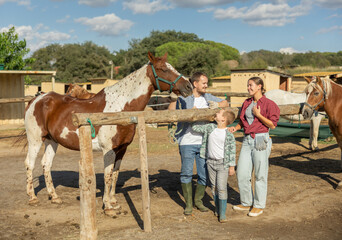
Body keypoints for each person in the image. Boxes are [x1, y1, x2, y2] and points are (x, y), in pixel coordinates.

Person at [168, 71, 229, 215]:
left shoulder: (208, 97)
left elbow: (225, 102)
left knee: (203, 174)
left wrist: (217, 104)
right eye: (204, 83)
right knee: (186, 173)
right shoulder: (185, 98)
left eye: (207, 83)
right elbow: (171, 111)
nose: (206, 86)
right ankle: (188, 204)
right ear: (195, 84)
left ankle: (198, 201)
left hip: (204, 142)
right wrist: (173, 100)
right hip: (186, 141)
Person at [228, 76, 280, 217]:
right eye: (248, 85)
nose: (248, 88)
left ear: (259, 86)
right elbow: (243, 121)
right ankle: (246, 202)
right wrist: (236, 128)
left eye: (251, 85)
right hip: (247, 140)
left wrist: (259, 115)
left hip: (261, 139)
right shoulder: (246, 103)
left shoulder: (269, 104)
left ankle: (258, 205)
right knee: (242, 173)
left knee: (260, 174)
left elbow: (273, 125)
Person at [192, 109, 236, 223]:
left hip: (223, 164)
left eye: (219, 113)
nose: (216, 113)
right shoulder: (210, 128)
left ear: (223, 119)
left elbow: (232, 151)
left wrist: (232, 166)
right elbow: (195, 127)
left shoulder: (229, 134)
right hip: (210, 162)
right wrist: (196, 113)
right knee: (214, 187)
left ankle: (222, 214)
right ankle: (217, 208)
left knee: (221, 188)